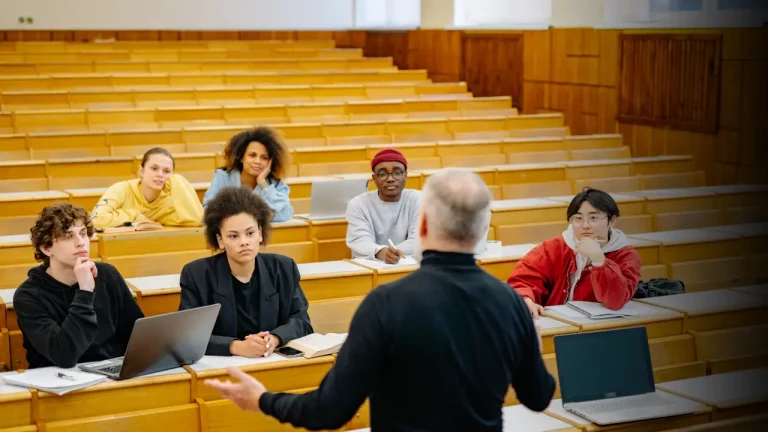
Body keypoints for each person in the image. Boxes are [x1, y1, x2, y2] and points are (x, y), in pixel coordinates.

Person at [205, 168, 555, 431]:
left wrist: (263, 400)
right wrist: (530, 342)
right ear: (483, 230)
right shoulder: (511, 303)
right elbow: (539, 397)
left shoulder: (386, 304)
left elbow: (330, 410)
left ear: (421, 227)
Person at [179, 186, 312, 358]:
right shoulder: (196, 274)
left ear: (260, 234)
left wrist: (275, 338)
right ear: (220, 240)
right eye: (233, 236)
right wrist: (235, 347)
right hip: (222, 369)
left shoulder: (283, 268)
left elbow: (302, 321)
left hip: (270, 361)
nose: (244, 242)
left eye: (250, 233)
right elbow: (188, 335)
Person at [14, 203, 144, 369]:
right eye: (68, 237)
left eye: (83, 234)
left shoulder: (107, 275)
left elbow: (136, 334)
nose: (81, 242)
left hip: (110, 376)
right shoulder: (28, 296)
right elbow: (64, 355)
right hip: (57, 384)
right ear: (46, 248)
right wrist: (85, 292)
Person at [507, 187, 642, 317]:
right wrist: (525, 298)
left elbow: (615, 300)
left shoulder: (626, 256)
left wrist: (599, 260)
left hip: (599, 329)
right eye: (578, 218)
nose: (585, 225)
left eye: (593, 218)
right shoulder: (556, 247)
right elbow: (523, 279)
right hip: (557, 323)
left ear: (612, 221)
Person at [90, 147, 203, 230]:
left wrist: (178, 181)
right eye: (154, 168)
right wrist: (136, 216)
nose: (160, 174)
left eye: (167, 171)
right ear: (141, 171)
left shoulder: (169, 202)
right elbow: (96, 220)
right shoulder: (121, 189)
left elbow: (196, 220)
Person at [345, 148, 421, 264]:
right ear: (374, 178)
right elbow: (359, 240)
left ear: (405, 175)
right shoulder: (358, 204)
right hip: (370, 264)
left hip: (409, 263)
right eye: (382, 174)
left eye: (397, 173)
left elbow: (419, 239)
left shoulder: (418, 199)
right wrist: (381, 252)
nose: (390, 179)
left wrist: (392, 253)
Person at [202, 127, 293, 222]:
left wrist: (263, 184)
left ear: (271, 162)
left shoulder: (276, 184)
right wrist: (259, 215)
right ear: (241, 157)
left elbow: (285, 214)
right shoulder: (223, 177)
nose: (257, 161)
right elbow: (208, 209)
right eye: (252, 155)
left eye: (264, 158)